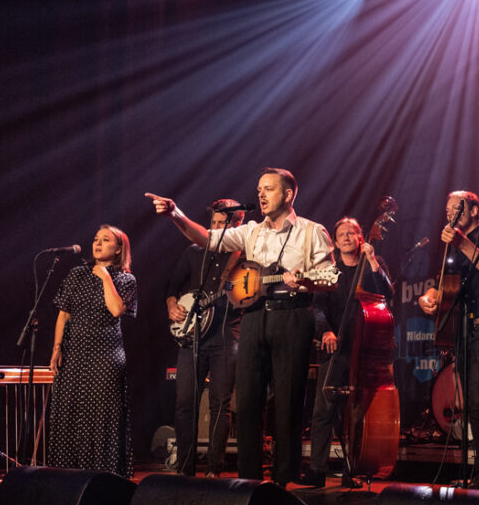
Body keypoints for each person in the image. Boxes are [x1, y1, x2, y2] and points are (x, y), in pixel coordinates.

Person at [147, 169, 332, 488]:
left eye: (269, 189)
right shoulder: (251, 231)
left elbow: (330, 277)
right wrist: (175, 214)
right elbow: (206, 238)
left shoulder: (312, 231)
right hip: (254, 316)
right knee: (246, 401)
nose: (261, 194)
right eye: (259, 189)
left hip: (292, 315)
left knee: (287, 401)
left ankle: (284, 480)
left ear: (288, 194)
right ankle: (248, 482)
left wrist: (306, 281)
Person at [418, 191, 479, 490]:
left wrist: (461, 243)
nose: (450, 214)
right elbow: (443, 285)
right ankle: (474, 472)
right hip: (462, 329)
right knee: (468, 403)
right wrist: (428, 297)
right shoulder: (451, 247)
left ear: (474, 211)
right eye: (447, 209)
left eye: (457, 208)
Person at [303, 217, 393, 488]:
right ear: (335, 241)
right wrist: (326, 332)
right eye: (340, 234)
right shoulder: (330, 270)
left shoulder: (372, 264)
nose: (345, 237)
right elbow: (318, 307)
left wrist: (373, 260)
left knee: (354, 414)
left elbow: (387, 293)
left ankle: (351, 470)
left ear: (360, 238)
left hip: (363, 348)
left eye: (351, 233)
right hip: (335, 348)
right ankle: (317, 470)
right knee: (323, 409)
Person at [48, 225, 138, 477]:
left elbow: (116, 310)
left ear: (118, 249)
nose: (97, 243)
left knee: (102, 414)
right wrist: (57, 348)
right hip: (74, 352)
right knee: (70, 410)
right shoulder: (77, 274)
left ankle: (104, 475)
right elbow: (63, 314)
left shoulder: (125, 279)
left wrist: (106, 277)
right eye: (96, 239)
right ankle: (67, 476)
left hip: (105, 355)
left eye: (105, 240)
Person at [165, 200, 245, 478]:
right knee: (185, 402)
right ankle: (185, 468)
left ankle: (214, 469)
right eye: (214, 223)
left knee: (220, 403)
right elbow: (172, 286)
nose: (217, 228)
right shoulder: (194, 252)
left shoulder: (244, 256)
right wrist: (172, 305)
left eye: (223, 223)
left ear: (237, 224)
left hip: (227, 335)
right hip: (192, 336)